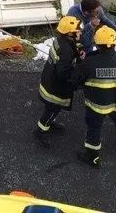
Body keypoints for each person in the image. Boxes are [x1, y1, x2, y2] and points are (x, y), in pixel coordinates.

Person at [71, 27, 116, 168]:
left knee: (94, 130)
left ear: (97, 44)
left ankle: (93, 158)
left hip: (97, 107)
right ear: (115, 43)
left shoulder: (88, 63)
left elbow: (75, 82)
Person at [34, 16, 84, 148]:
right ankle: (41, 129)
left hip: (49, 80)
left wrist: (77, 53)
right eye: (77, 30)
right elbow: (63, 73)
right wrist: (77, 74)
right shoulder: (66, 50)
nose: (80, 32)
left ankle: (50, 122)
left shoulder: (60, 40)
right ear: (69, 33)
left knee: (51, 108)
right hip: (56, 87)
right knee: (52, 109)